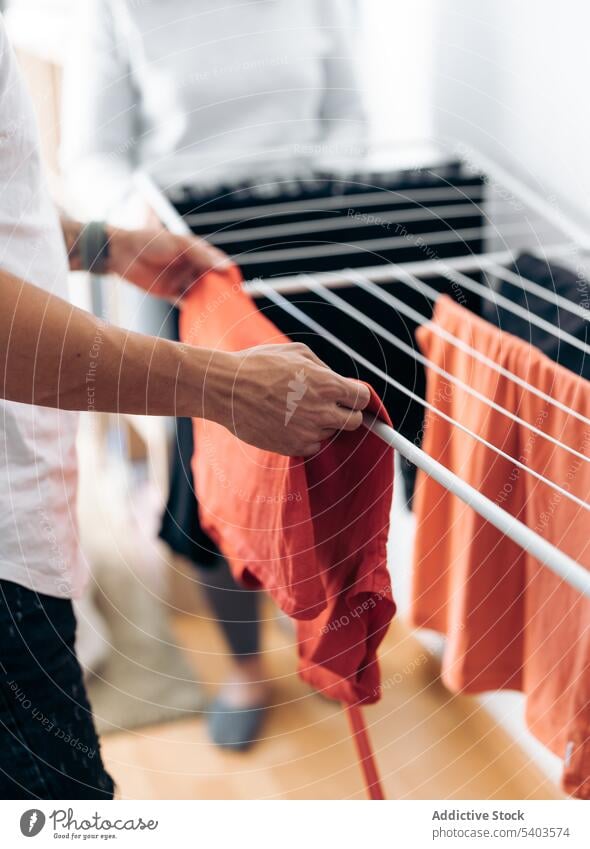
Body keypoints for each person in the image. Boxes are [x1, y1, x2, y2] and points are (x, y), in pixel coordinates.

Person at [0, 16, 369, 799]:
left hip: (291, 234)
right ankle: (245, 671)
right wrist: (222, 383)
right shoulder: (120, 12)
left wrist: (104, 243)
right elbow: (89, 155)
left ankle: (322, 634)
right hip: (189, 246)